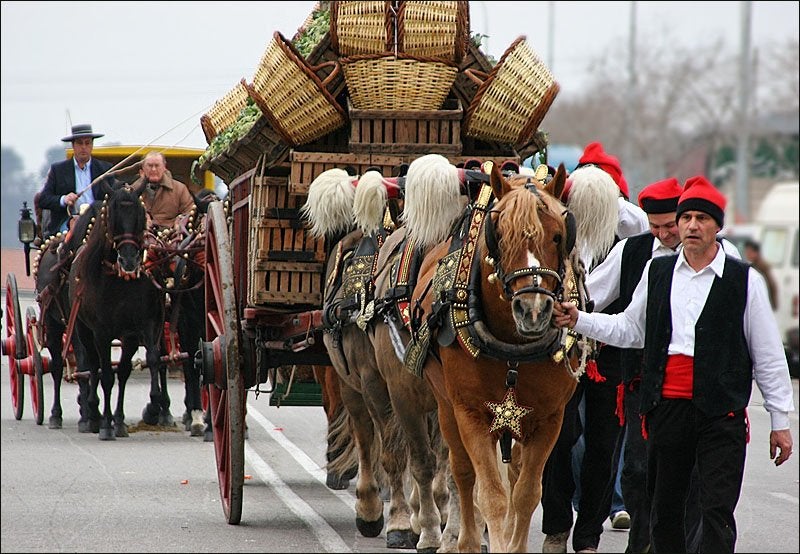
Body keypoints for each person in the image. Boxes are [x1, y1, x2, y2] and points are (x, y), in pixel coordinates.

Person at [553, 175, 795, 554]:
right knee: (664, 511)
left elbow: (767, 355)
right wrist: (578, 319)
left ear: (718, 226)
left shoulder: (744, 280)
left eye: (702, 218)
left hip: (722, 413)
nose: (691, 226)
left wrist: (779, 421)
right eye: (686, 218)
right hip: (666, 411)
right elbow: (629, 328)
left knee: (715, 510)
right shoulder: (657, 272)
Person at [541, 142, 647, 554]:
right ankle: (555, 526)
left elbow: (637, 220)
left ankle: (588, 535)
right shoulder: (560, 228)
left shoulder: (629, 232)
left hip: (611, 353)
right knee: (560, 438)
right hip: (562, 351)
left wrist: (604, 193)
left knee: (604, 447)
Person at [37, 124, 115, 238]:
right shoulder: (58, 170)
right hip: (67, 223)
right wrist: (64, 199)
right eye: (79, 143)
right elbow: (43, 199)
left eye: (87, 143)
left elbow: (114, 197)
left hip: (99, 222)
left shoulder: (105, 169)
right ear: (73, 145)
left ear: (92, 145)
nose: (84, 147)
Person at [133, 151, 196, 228]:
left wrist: (179, 221)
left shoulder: (180, 189)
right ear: (142, 168)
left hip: (172, 233)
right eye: (150, 165)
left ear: (164, 167)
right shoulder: (131, 191)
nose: (153, 169)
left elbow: (190, 211)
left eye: (157, 165)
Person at [743, 238, 779, 310]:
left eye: (749, 252)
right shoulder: (753, 266)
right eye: (746, 252)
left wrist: (772, 304)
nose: (747, 255)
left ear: (756, 253)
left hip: (763, 302)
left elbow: (771, 286)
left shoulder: (762, 267)